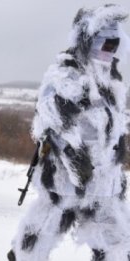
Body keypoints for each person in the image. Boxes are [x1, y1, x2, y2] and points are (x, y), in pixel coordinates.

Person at [8, 5, 130, 261]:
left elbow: (116, 127)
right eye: (104, 44)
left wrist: (117, 176)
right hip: (64, 183)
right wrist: (73, 158)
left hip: (104, 187)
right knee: (36, 241)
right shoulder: (67, 73)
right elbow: (49, 120)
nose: (109, 51)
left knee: (119, 244)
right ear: (88, 41)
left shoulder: (112, 81)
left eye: (113, 45)